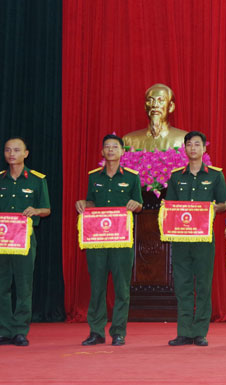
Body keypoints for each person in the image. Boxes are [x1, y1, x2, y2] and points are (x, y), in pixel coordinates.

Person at [0, 137, 51, 347]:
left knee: (24, 286)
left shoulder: (37, 180)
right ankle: (3, 330)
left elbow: (46, 209)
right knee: (0, 286)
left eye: (16, 150)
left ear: (26, 154)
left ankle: (20, 331)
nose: (11, 154)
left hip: (24, 240)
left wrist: (36, 210)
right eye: (8, 150)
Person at [75, 134, 143, 346]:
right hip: (98, 239)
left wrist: (135, 205)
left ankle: (118, 331)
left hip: (121, 240)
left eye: (115, 147)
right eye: (107, 147)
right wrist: (83, 204)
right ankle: (96, 331)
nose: (111, 150)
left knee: (122, 288)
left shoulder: (132, 177)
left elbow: (139, 205)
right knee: (97, 287)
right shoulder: (94, 177)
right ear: (102, 152)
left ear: (122, 152)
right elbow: (91, 202)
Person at [164, 131, 226, 347]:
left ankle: (200, 331)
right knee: (182, 285)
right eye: (189, 144)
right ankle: (184, 331)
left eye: (197, 144)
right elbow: (170, 206)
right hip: (181, 239)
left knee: (203, 285)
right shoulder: (176, 177)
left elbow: (223, 204)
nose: (193, 148)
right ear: (185, 149)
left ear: (204, 149)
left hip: (203, 239)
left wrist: (209, 209)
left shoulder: (215, 175)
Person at [122, 83, 188, 151]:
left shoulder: (184, 139)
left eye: (161, 100)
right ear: (145, 107)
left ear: (171, 107)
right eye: (150, 100)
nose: (155, 105)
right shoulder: (128, 140)